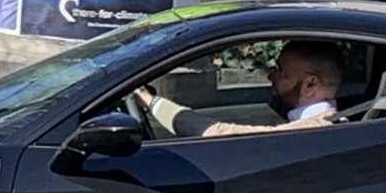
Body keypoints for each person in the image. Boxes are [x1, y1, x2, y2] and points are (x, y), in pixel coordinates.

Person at [138, 40, 355, 138]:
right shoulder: (323, 125)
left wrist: (149, 100)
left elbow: (216, 135)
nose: (271, 76)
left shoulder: (313, 131)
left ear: (310, 84)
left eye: (280, 71)